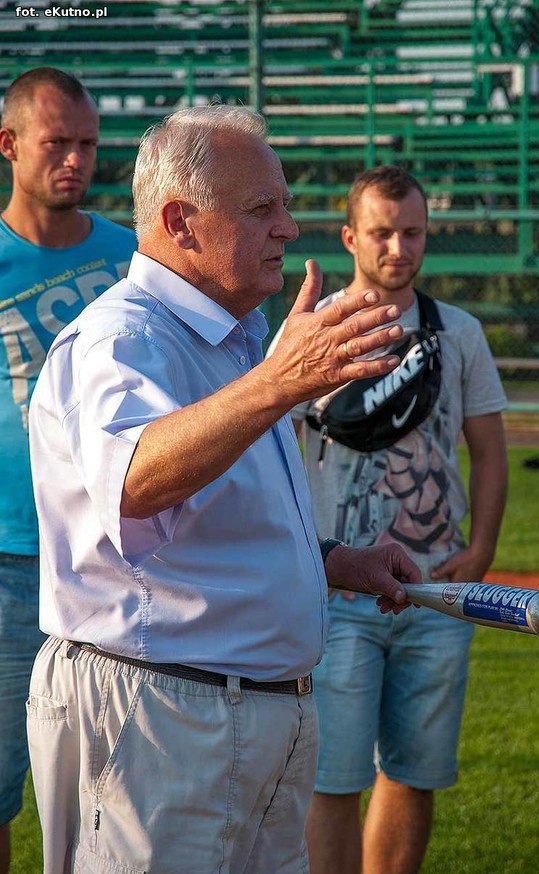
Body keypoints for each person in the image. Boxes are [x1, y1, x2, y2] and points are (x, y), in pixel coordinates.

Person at [26, 106, 421, 874]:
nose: (288, 227)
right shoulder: (124, 337)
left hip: (239, 713)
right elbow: (135, 481)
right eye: (262, 208)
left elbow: (217, 516)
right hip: (166, 719)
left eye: (284, 205)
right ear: (181, 221)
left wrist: (335, 560)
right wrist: (278, 383)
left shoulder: (232, 338)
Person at [272, 165, 509, 874]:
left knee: (415, 771)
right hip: (340, 594)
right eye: (381, 232)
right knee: (334, 778)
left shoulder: (458, 332)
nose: (398, 247)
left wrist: (484, 547)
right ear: (350, 237)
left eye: (412, 232)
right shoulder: (313, 332)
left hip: (437, 590)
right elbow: (268, 453)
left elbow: (490, 454)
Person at [0, 66, 136, 873]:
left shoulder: (132, 256)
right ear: (8, 144)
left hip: (113, 562)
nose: (76, 161)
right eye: (57, 144)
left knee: (115, 789)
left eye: (88, 144)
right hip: (8, 561)